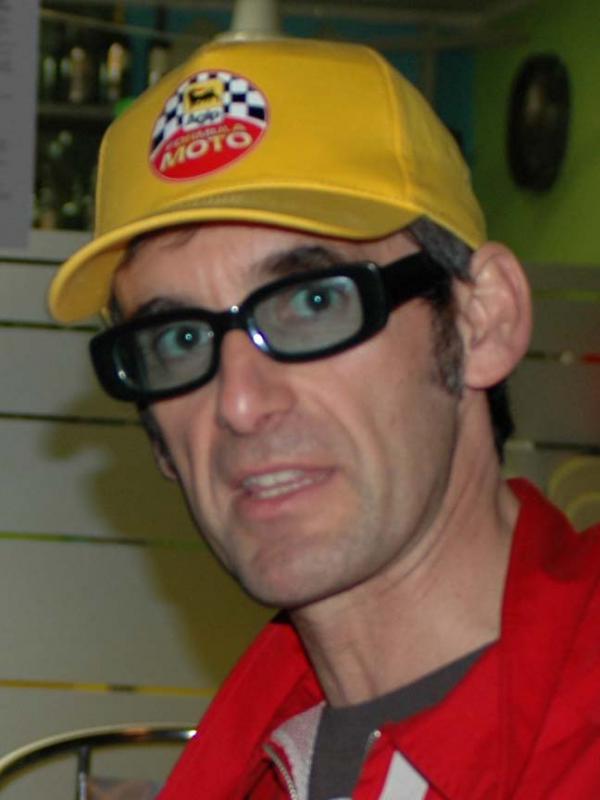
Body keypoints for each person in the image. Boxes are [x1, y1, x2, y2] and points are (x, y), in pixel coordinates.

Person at [49, 35, 600, 800]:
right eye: (179, 340)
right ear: (159, 442)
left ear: (483, 320)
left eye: (313, 302)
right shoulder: (250, 765)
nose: (240, 404)